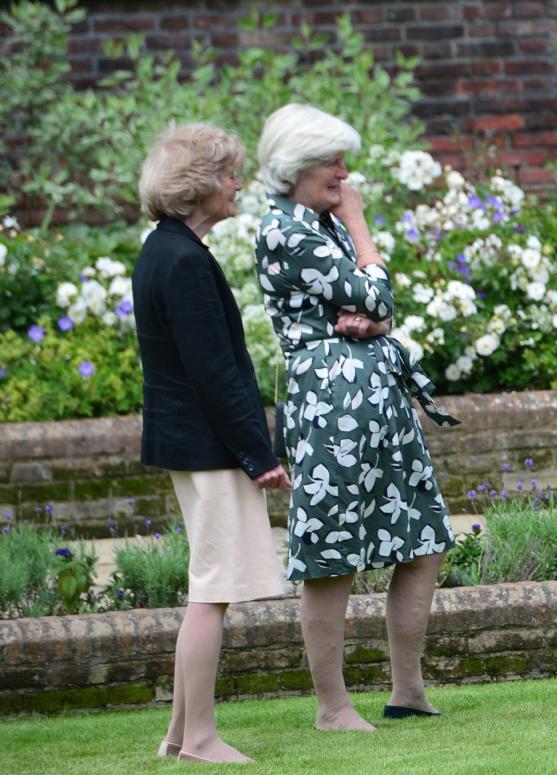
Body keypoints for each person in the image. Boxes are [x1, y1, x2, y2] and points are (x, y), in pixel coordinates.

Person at [255, 103, 457, 731]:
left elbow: (378, 307)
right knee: (333, 555)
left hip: (379, 402)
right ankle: (332, 707)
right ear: (296, 167)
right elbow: (375, 291)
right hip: (332, 409)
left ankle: (408, 690)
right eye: (333, 163)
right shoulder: (287, 231)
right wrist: (362, 230)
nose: (345, 174)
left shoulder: (319, 222)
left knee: (421, 540)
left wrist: (375, 315)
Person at [132, 123, 291, 764]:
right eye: (229, 174)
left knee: (209, 586)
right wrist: (260, 454)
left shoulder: (163, 250)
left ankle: (177, 735)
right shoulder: (184, 260)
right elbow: (215, 371)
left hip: (191, 446)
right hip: (208, 448)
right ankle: (199, 737)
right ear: (197, 185)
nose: (238, 185)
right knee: (211, 593)